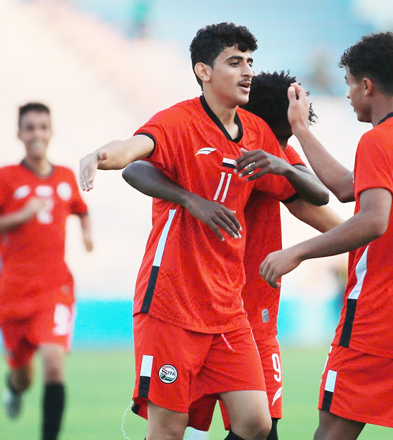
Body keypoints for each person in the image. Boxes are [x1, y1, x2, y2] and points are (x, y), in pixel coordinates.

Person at [78, 23, 329, 440]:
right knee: (169, 429)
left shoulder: (257, 131)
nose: (247, 71)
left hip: (227, 309)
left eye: (250, 61)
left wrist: (285, 165)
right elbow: (132, 154)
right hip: (171, 304)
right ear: (203, 71)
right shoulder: (179, 122)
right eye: (235, 62)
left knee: (256, 423)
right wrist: (100, 156)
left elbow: (318, 196)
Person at [122, 70, 344, 440]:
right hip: (204, 308)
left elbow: (323, 209)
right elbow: (135, 163)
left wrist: (369, 237)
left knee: (259, 427)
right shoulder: (225, 150)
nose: (285, 148)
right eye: (283, 137)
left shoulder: (277, 159)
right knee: (183, 427)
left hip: (248, 314)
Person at [260, 32, 393, 440]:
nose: (347, 94)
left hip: (379, 318)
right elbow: (349, 188)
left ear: (366, 86)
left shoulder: (377, 141)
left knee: (331, 433)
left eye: (349, 83)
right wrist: (302, 130)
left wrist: (298, 251)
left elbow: (372, 220)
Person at [0, 102, 93, 440]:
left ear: (50, 131)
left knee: (54, 365)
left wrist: (86, 231)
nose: (37, 134)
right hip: (12, 293)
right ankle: (13, 387)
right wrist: (21, 215)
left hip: (55, 289)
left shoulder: (66, 177)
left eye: (43, 127)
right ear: (20, 134)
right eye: (30, 128)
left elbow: (80, 208)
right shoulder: (3, 179)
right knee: (24, 376)